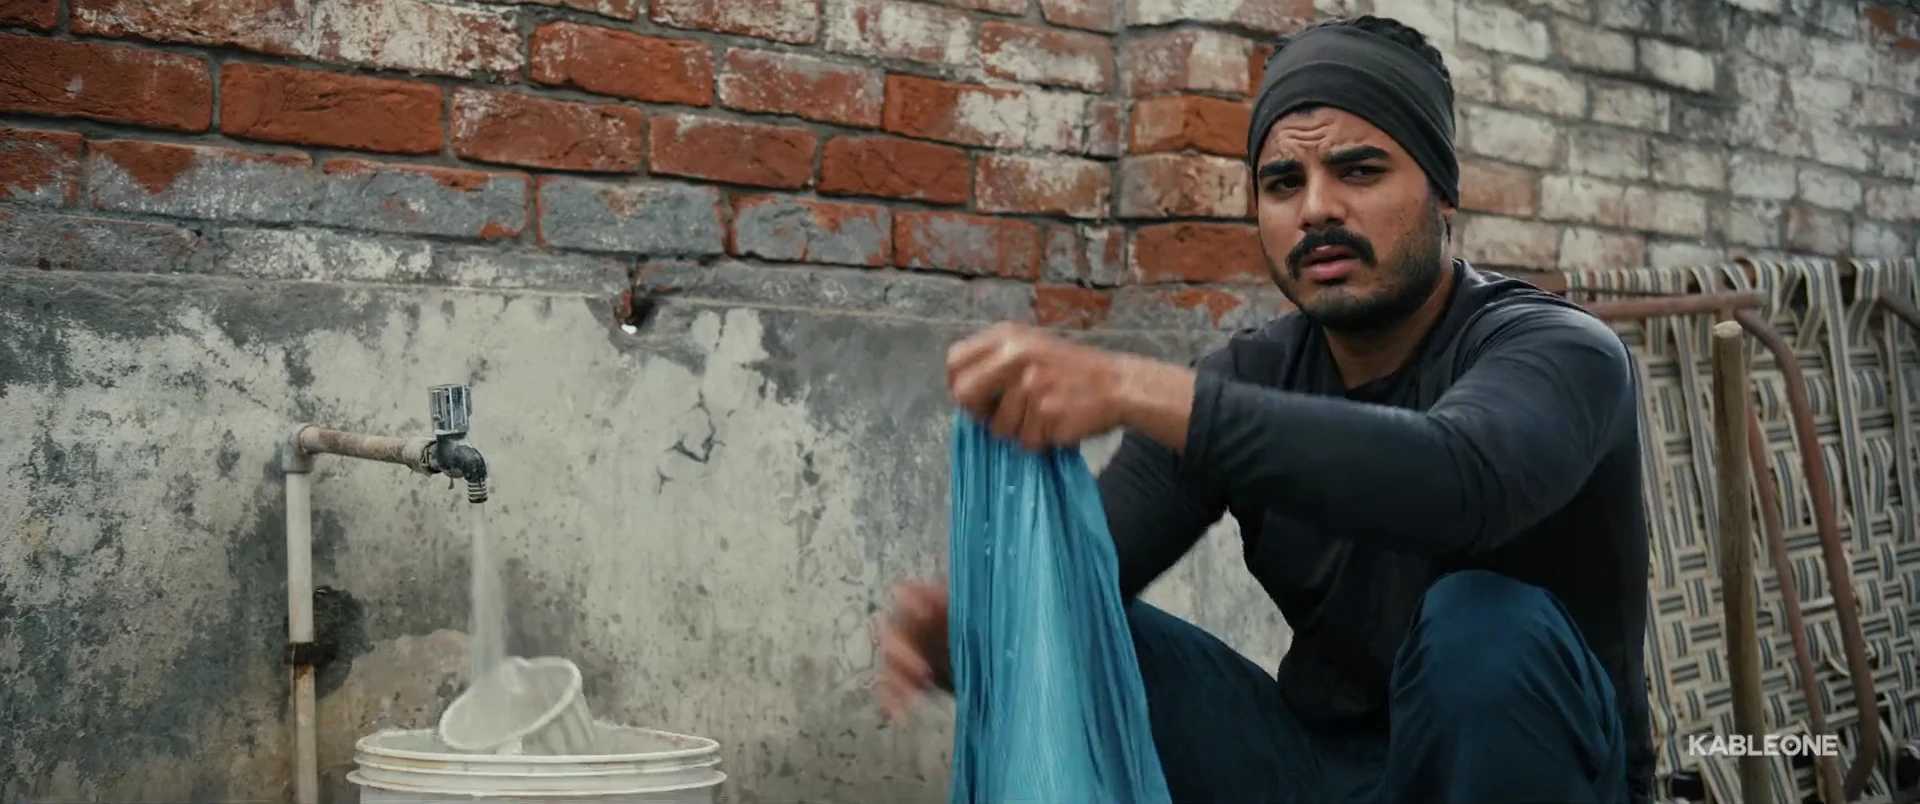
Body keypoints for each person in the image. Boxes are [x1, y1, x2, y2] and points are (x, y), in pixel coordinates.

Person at [874, 13, 1654, 804]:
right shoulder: (1253, 375)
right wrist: (968, 637)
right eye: (1283, 184)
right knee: (1071, 624)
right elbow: (1086, 578)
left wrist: (1128, 388)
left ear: (1443, 194)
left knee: (1482, 624)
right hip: (1319, 772)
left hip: (1531, 770)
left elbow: (1461, 480)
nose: (1316, 209)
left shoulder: (1561, 350)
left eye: (1359, 172)